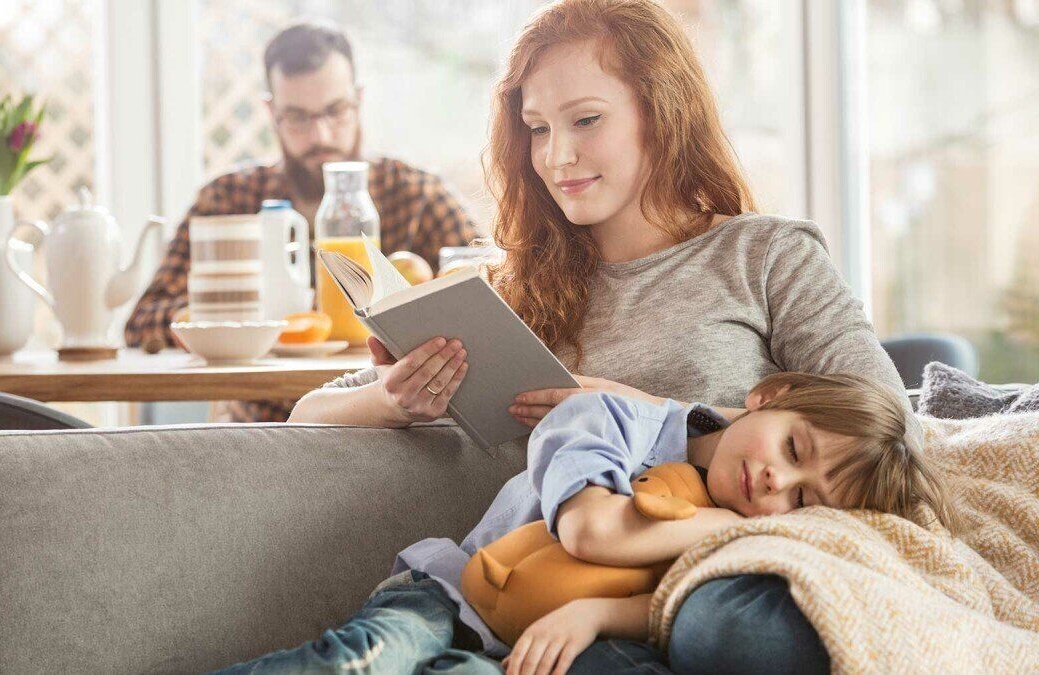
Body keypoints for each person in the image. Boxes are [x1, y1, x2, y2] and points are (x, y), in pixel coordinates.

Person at [281, 0, 910, 672]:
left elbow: (894, 427)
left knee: (737, 631)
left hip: (702, 589)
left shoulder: (765, 256)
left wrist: (648, 412)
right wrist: (392, 400)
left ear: (660, 111)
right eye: (537, 128)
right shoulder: (509, 293)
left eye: (586, 120)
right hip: (530, 598)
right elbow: (304, 415)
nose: (557, 156)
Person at [216, 372, 951, 674]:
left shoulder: (758, 532)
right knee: (365, 658)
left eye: (803, 502)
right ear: (768, 395)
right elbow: (591, 533)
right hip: (450, 598)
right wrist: (733, 529)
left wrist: (598, 612)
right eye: (794, 449)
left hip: (542, 650)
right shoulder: (610, 418)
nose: (775, 484)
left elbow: (662, 605)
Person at [125, 21, 480, 423]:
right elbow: (143, 321)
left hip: (391, 430)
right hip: (261, 427)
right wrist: (247, 318)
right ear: (270, 112)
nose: (320, 134)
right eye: (297, 118)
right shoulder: (229, 200)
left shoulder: (416, 196)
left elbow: (492, 292)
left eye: (335, 111)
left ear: (358, 100)